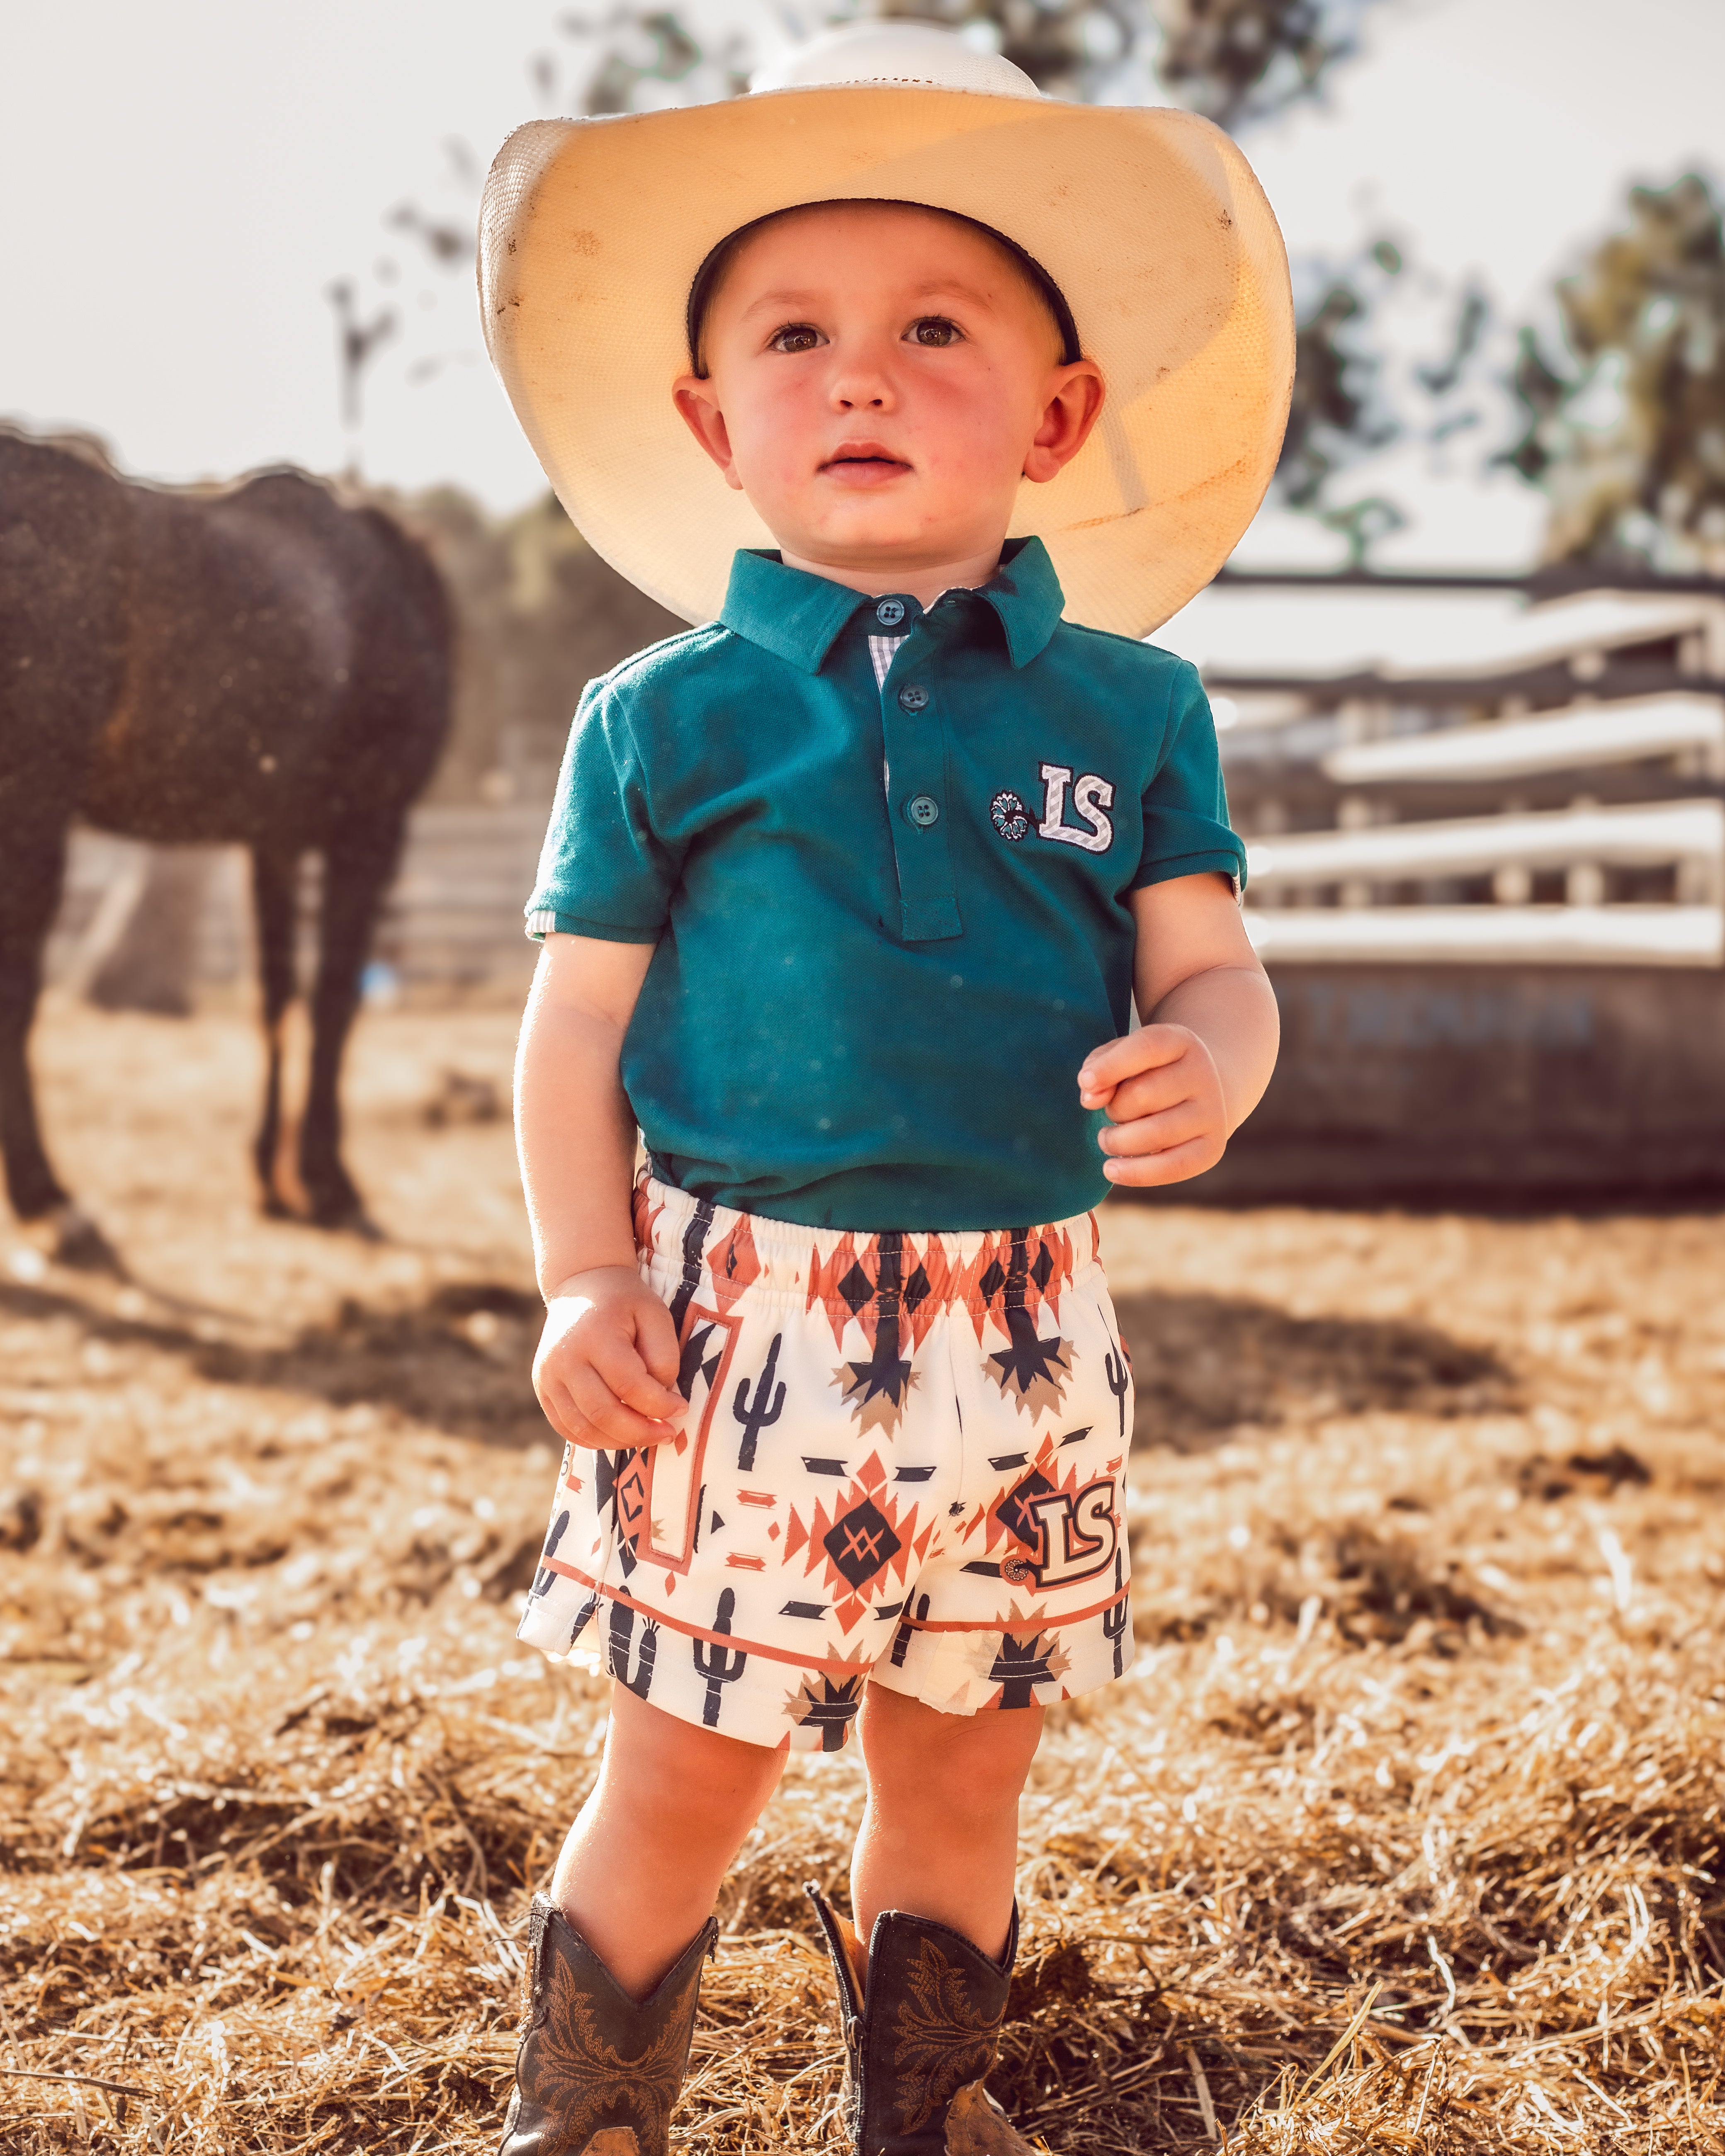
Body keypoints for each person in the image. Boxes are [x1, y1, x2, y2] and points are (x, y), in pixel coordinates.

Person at [479, 23, 1292, 2155]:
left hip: (1027, 1326)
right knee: (687, 1760)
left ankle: (922, 2105)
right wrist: (582, 1278)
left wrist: (1209, 1058)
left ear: (1056, 413)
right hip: (737, 1316)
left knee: (966, 1757)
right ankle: (591, 2113)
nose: (857, 375)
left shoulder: (1129, 707)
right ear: (706, 420)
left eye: (933, 327)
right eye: (793, 334)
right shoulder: (662, 718)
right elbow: (569, 1029)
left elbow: (1214, 963)